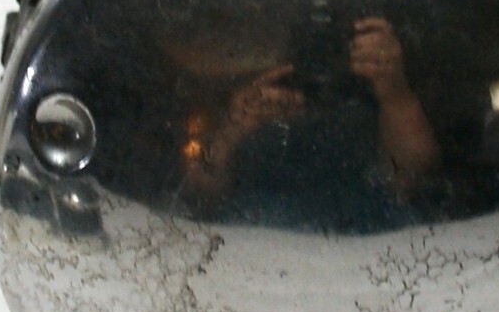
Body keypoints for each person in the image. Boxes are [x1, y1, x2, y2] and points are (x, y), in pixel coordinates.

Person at [181, 17, 441, 232]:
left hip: (374, 246)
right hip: (251, 247)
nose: (319, 64)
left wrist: (393, 89)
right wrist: (232, 132)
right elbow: (202, 195)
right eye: (304, 51)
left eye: (339, 47)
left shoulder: (375, 102)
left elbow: (413, 176)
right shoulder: (253, 109)